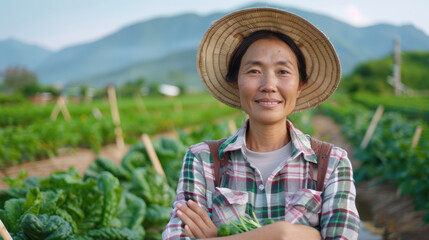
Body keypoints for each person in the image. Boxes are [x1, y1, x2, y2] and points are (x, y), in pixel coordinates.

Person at [162, 7, 360, 240]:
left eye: (283, 71)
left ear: (300, 85)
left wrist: (219, 238)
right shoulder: (202, 159)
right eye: (254, 71)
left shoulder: (332, 163)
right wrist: (295, 235)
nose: (269, 85)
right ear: (236, 82)